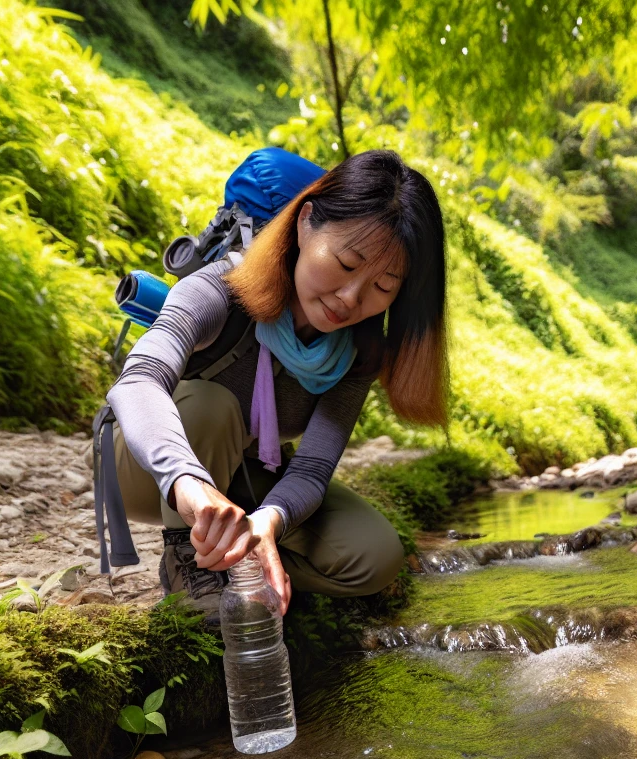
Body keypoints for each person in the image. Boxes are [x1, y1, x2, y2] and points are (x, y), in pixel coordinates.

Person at [107, 148, 447, 613]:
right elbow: (139, 379)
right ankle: (189, 564)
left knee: (375, 556)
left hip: (244, 475)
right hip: (147, 471)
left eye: (383, 288)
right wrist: (186, 480)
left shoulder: (359, 352)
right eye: (346, 264)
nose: (350, 298)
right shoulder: (220, 288)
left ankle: (243, 560)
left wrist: (269, 521)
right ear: (306, 223)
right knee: (210, 405)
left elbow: (311, 468)